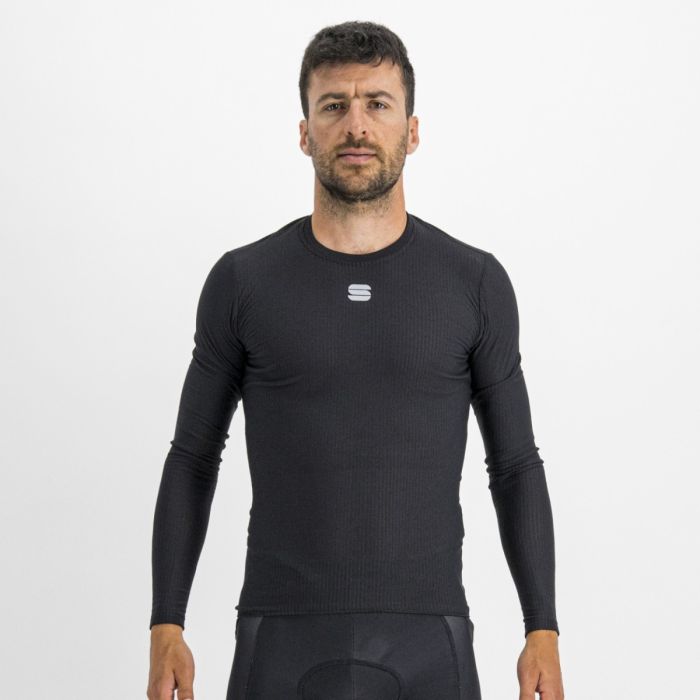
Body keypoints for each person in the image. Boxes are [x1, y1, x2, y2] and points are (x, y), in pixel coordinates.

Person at [147, 20, 565, 700]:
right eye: (334, 105)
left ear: (413, 130)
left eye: (377, 103)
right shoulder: (244, 282)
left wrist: (541, 627)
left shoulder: (473, 283)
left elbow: (515, 464)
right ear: (305, 132)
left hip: (429, 641)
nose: (356, 125)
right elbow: (192, 458)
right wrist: (167, 621)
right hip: (280, 637)